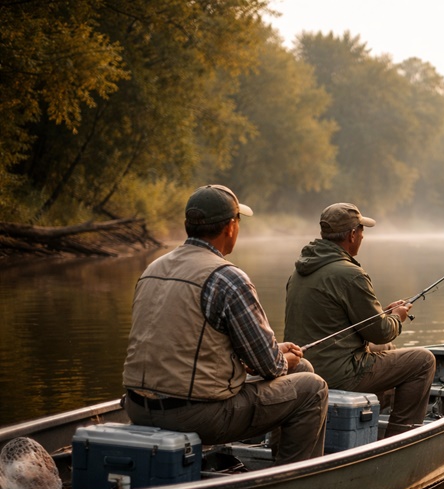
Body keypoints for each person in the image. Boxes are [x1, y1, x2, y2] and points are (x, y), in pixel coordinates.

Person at [122, 184, 328, 465]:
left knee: (300, 368)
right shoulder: (227, 277)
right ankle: (290, 479)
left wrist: (276, 350)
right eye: (239, 222)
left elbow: (186, 344)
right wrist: (284, 359)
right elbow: (271, 366)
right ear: (230, 227)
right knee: (313, 387)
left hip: (137, 407)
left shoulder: (152, 269)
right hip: (196, 416)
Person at [283, 203, 436, 438]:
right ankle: (401, 437)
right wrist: (398, 317)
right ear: (352, 235)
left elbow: (340, 322)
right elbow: (381, 332)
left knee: (387, 349)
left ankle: (369, 414)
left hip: (302, 368)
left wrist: (383, 313)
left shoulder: (300, 271)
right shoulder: (350, 274)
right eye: (362, 231)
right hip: (338, 373)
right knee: (422, 361)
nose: (363, 236)